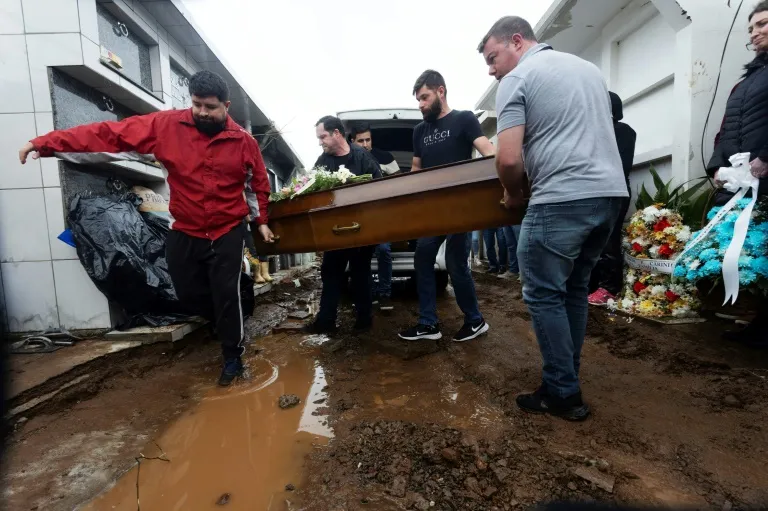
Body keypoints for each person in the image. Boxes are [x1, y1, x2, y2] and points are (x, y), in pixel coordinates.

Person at [18, 70, 275, 386]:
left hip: (227, 229)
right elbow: (109, 134)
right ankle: (220, 319)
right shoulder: (165, 126)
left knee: (226, 293)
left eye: (210, 107)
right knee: (187, 292)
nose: (203, 112)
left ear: (226, 105)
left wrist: (260, 222)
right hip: (187, 227)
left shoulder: (243, 141)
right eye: (197, 105)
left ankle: (233, 357)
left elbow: (258, 183)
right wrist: (44, 144)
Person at [479, 16, 628, 420]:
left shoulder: (517, 79)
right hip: (610, 195)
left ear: (516, 41)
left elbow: (508, 157)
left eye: (493, 58)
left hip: (561, 198)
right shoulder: (589, 70)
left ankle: (563, 393)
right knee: (575, 290)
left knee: (543, 294)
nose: (492, 70)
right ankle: (566, 377)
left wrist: (513, 194)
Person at [398, 70, 495, 342]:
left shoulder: (463, 119)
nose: (421, 104)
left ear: (441, 91)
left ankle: (475, 321)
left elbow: (488, 152)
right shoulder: (420, 131)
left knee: (455, 262)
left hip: (461, 207)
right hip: (433, 208)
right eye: (418, 99)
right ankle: (429, 324)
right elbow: (416, 169)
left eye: (425, 97)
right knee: (423, 257)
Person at [709, 1, 768, 348]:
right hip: (743, 185)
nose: (755, 32)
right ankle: (757, 321)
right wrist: (718, 165)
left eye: (762, 24)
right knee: (752, 256)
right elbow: (724, 131)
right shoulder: (744, 82)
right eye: (751, 28)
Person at [305, 116, 383, 334]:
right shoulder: (323, 161)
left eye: (323, 137)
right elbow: (310, 188)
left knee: (360, 274)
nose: (320, 142)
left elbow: (380, 187)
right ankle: (326, 321)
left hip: (362, 229)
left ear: (337, 133)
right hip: (335, 231)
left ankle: (364, 321)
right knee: (330, 272)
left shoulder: (363, 158)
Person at [588, 92, 637, 304]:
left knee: (608, 240)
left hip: (613, 192)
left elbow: (617, 165)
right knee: (591, 241)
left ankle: (609, 287)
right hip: (597, 192)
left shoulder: (621, 131)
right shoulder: (595, 132)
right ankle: (592, 284)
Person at [349, 122, 398, 311]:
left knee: (384, 250)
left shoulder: (385, 157)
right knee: (359, 256)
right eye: (360, 140)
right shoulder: (349, 160)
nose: (365, 144)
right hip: (358, 217)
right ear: (353, 141)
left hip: (381, 215)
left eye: (368, 139)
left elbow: (399, 183)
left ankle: (385, 293)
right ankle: (366, 294)